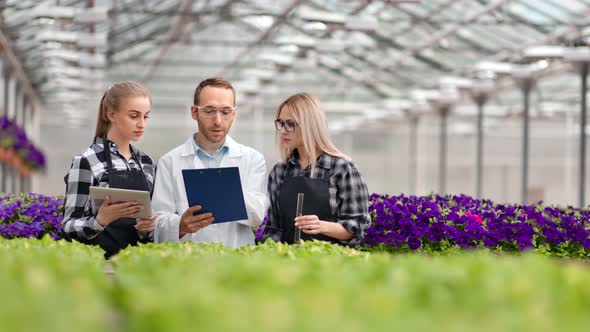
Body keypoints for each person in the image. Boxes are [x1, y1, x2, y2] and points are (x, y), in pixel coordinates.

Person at [151, 77, 267, 247]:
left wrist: (226, 191)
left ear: (234, 113)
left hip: (237, 263)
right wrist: (180, 226)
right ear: (194, 112)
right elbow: (157, 221)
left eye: (225, 112)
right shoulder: (170, 162)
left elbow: (258, 216)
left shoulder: (252, 159)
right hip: (188, 265)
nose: (218, 120)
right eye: (209, 111)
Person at [259, 93, 370, 246]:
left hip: (330, 263)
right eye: (280, 123)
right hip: (285, 264)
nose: (283, 130)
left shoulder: (341, 168)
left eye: (290, 124)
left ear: (309, 125)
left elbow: (357, 227)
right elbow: (274, 228)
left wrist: (322, 226)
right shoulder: (280, 171)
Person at [62, 81, 157, 258]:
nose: (141, 124)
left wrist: (148, 228)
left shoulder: (147, 163)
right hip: (97, 266)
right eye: (134, 116)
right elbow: (68, 226)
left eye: (146, 116)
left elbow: (149, 231)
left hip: (139, 267)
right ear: (111, 114)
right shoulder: (87, 161)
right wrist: (100, 220)